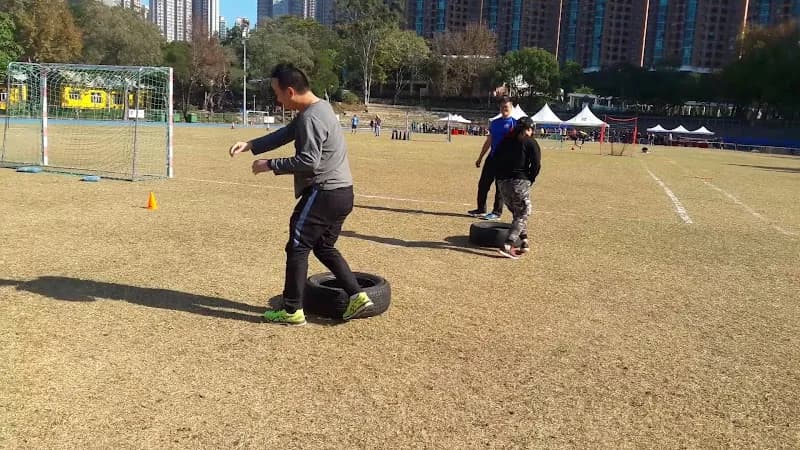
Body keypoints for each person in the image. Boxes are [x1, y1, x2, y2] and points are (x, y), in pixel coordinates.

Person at [228, 63, 373, 326]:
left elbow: (308, 161)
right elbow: (287, 133)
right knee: (324, 246)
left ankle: (292, 309)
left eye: (278, 93)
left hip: (324, 192)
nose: (277, 98)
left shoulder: (311, 118)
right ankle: (357, 295)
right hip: (343, 193)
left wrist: (269, 165)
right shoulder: (320, 107)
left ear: (291, 91)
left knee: (297, 245)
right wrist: (251, 145)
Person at [492, 116, 541, 259]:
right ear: (530, 129)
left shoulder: (505, 141)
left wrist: (499, 178)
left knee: (517, 213)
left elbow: (495, 159)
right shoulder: (530, 142)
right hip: (519, 181)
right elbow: (536, 164)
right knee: (523, 212)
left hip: (502, 184)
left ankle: (524, 241)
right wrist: (530, 179)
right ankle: (508, 244)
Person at [468, 96, 516, 220]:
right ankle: (481, 209)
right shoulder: (495, 123)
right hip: (492, 157)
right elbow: (489, 141)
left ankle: (496, 212)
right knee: (483, 184)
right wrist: (480, 157)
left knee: (499, 187)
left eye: (506, 107)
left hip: (505, 160)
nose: (504, 109)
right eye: (502, 107)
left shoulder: (514, 124)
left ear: (511, 108)